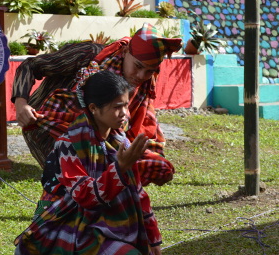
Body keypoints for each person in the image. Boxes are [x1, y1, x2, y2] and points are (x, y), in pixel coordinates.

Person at [14, 71, 168, 255]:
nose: (125, 114)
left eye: (126, 105)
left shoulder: (120, 141)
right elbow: (85, 196)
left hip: (104, 221)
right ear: (94, 108)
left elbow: (138, 192)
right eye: (118, 107)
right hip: (67, 224)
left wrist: (153, 239)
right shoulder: (68, 144)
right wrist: (120, 167)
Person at [12, 23, 182, 186]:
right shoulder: (88, 55)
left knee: (103, 182)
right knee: (71, 185)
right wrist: (21, 103)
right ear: (126, 50)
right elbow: (30, 66)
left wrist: (153, 163)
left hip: (95, 136)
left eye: (149, 71)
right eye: (137, 66)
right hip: (44, 124)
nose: (141, 75)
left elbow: (141, 125)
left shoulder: (144, 85)